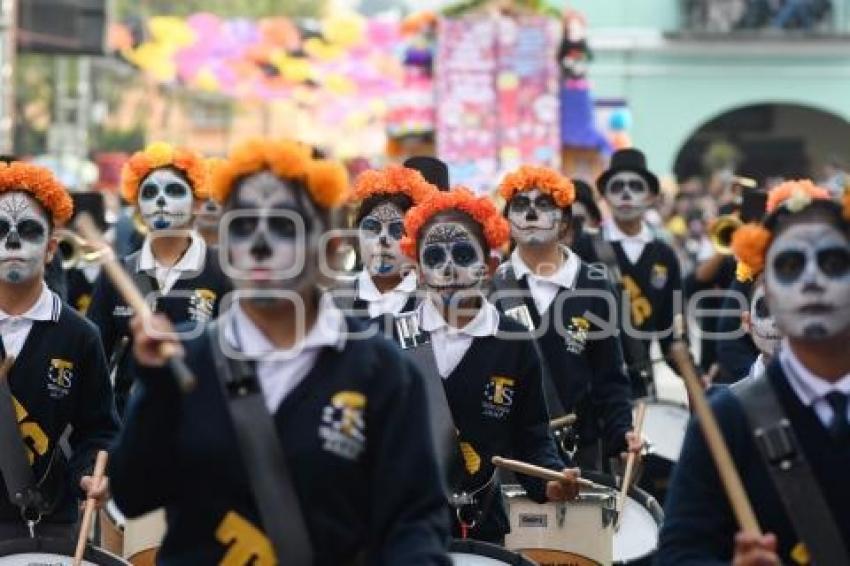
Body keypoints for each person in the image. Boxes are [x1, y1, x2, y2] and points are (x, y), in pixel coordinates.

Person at [109, 138, 452, 565]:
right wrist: (156, 388)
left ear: (329, 247)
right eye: (244, 226)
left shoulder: (382, 372)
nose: (260, 245)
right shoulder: (183, 363)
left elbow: (414, 521)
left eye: (285, 226)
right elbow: (133, 495)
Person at [657, 180, 850, 565]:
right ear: (767, 294)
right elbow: (680, 555)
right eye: (790, 266)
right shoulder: (727, 419)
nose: (812, 281)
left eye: (832, 263)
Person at [399, 187, 580, 543]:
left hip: (483, 524)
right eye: (434, 258)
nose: (449, 268)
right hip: (407, 527)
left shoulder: (514, 340)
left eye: (463, 254)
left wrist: (551, 482)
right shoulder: (391, 339)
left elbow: (532, 436)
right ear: (418, 271)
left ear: (490, 266)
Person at [490, 165, 639, 470]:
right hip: (509, 457)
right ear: (507, 222)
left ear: (565, 223)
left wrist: (621, 435)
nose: (531, 214)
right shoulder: (490, 286)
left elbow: (610, 376)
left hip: (580, 451)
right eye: (520, 206)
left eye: (544, 205)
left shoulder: (595, 284)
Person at [0, 161, 119, 539]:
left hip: (51, 523)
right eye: (1, 230)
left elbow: (98, 430)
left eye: (29, 231)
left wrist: (92, 474)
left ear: (52, 248)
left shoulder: (80, 335)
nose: (13, 242)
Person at [87, 142, 231, 416]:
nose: (161, 201)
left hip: (199, 419)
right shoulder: (117, 274)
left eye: (174, 191)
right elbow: (94, 365)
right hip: (129, 425)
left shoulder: (224, 272)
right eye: (150, 192)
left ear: (198, 203)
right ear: (138, 206)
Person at [596, 148, 686, 397]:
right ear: (604, 195)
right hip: (593, 385)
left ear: (651, 196)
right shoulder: (586, 248)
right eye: (617, 187)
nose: (626, 194)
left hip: (641, 381)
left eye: (636, 186)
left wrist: (694, 376)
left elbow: (672, 330)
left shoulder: (665, 255)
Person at [335, 162, 439, 333]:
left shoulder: (436, 301)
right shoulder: (331, 301)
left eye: (397, 230)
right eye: (372, 228)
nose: (383, 240)